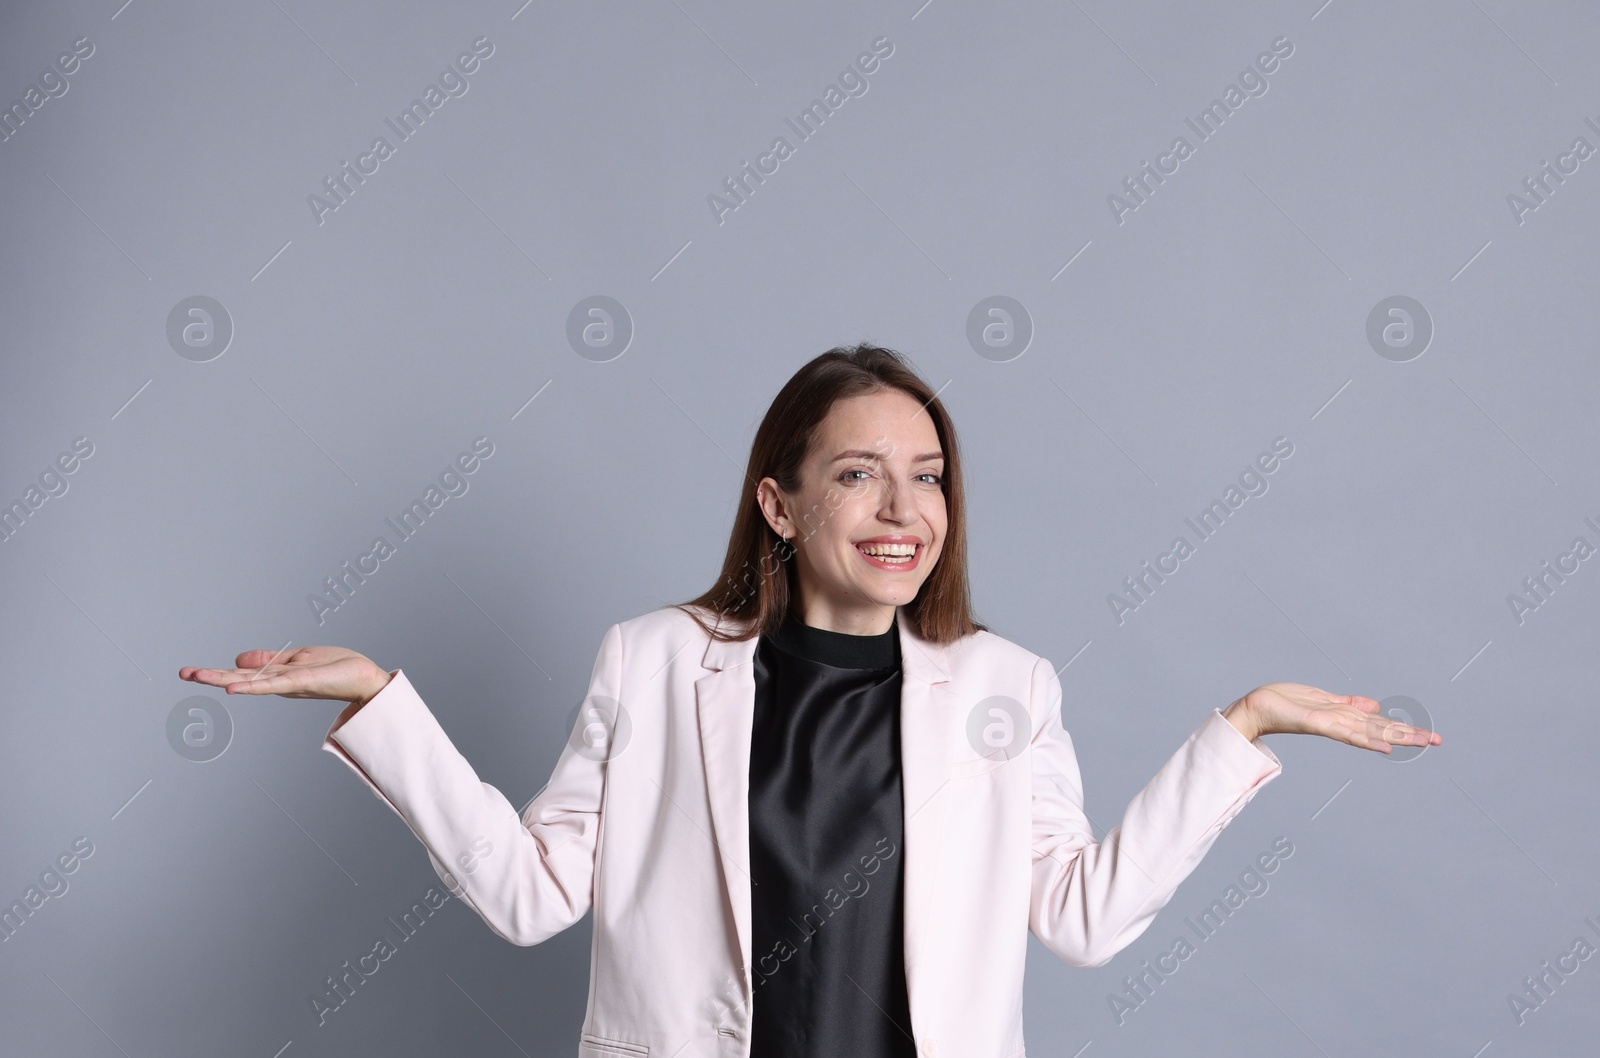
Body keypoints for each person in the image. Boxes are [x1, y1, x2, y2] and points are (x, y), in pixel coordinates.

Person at [180, 343, 1440, 1057]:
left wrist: (1245, 724)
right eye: (860, 474)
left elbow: (1082, 915)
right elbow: (528, 894)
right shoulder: (655, 663)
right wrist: (382, 701)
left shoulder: (1006, 687)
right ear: (780, 504)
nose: (905, 513)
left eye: (928, 477)